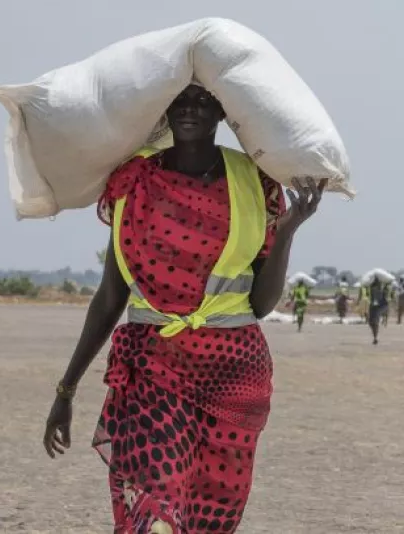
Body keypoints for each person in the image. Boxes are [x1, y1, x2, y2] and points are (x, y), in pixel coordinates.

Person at [41, 84, 326, 533]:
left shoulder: (254, 180)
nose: (190, 109)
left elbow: (260, 304)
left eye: (203, 101)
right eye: (181, 100)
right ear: (164, 109)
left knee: (211, 519)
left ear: (223, 112)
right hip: (153, 365)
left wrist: (286, 233)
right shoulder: (133, 182)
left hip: (233, 373)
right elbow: (110, 297)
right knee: (153, 511)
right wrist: (66, 390)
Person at [367, 276, 388, 345]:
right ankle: (375, 337)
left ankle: (375, 338)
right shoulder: (376, 289)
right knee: (373, 323)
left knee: (373, 323)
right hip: (374, 308)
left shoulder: (377, 290)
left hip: (375, 308)